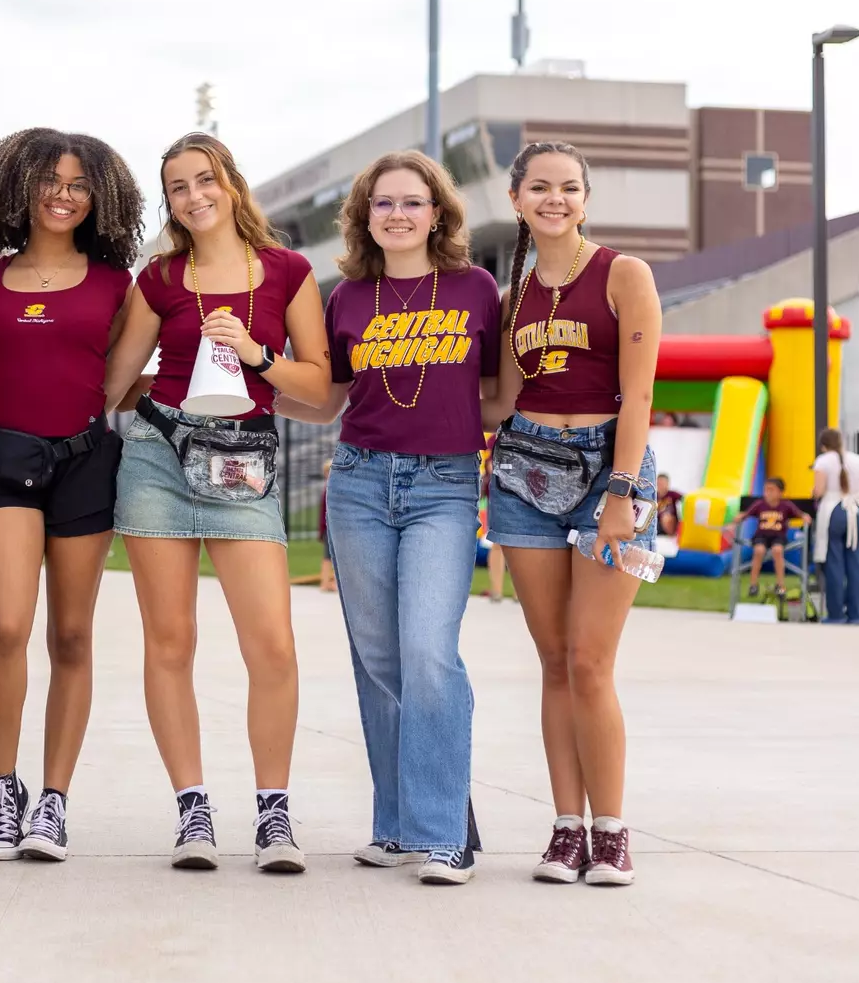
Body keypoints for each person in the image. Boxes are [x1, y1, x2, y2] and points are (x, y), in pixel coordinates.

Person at [102, 132, 330, 873]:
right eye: (177, 187)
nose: (194, 195)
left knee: (272, 647)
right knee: (170, 644)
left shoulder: (289, 272)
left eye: (204, 180)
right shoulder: (161, 277)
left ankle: (274, 815)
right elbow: (113, 383)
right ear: (167, 201)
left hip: (244, 470)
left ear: (229, 184)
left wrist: (260, 357)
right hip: (158, 460)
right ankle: (192, 810)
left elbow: (320, 391)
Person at [278, 150, 500, 885]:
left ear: (438, 213)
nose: (397, 215)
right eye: (383, 204)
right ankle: (400, 826)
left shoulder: (476, 289)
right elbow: (327, 399)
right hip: (361, 485)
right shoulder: (345, 298)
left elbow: (498, 393)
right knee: (379, 663)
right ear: (364, 217)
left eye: (412, 202)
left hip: (443, 486)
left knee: (429, 653)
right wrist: (242, 382)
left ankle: (444, 834)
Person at [0, 129, 145, 861]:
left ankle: (53, 802)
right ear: (19, 187)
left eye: (78, 185)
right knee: (7, 626)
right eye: (49, 181)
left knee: (71, 636)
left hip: (86, 463)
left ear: (98, 198)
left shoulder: (115, 286)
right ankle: (3, 790)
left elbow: (125, 380)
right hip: (4, 463)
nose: (63, 195)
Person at [483, 141, 662, 888]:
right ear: (517, 198)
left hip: (608, 475)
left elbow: (640, 395)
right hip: (524, 469)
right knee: (553, 661)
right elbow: (503, 401)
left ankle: (612, 832)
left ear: (585, 198)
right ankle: (565, 830)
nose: (554, 198)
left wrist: (621, 492)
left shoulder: (624, 274)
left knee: (591, 661)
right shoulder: (512, 296)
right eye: (539, 188)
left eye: (568, 188)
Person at [811, 429, 859, 624]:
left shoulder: (823, 461)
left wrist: (814, 491)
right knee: (857, 564)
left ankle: (836, 614)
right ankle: (856, 615)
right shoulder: (858, 460)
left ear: (824, 445)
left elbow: (819, 490)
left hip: (833, 511)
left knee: (833, 563)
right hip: (855, 512)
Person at [727, 477, 801, 599]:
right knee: (759, 551)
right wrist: (737, 519)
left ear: (780, 492)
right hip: (761, 536)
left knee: (777, 551)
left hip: (778, 536)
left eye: (771, 490)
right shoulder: (760, 504)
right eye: (766, 490)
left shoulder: (786, 505)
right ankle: (753, 584)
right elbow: (746, 514)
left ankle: (780, 585)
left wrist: (805, 517)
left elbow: (800, 514)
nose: (768, 493)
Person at [319, 458, 338, 593]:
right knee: (329, 558)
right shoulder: (329, 490)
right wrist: (322, 530)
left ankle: (332, 583)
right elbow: (322, 513)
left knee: (337, 558)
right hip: (330, 528)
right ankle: (326, 582)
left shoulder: (331, 489)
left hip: (336, 528)